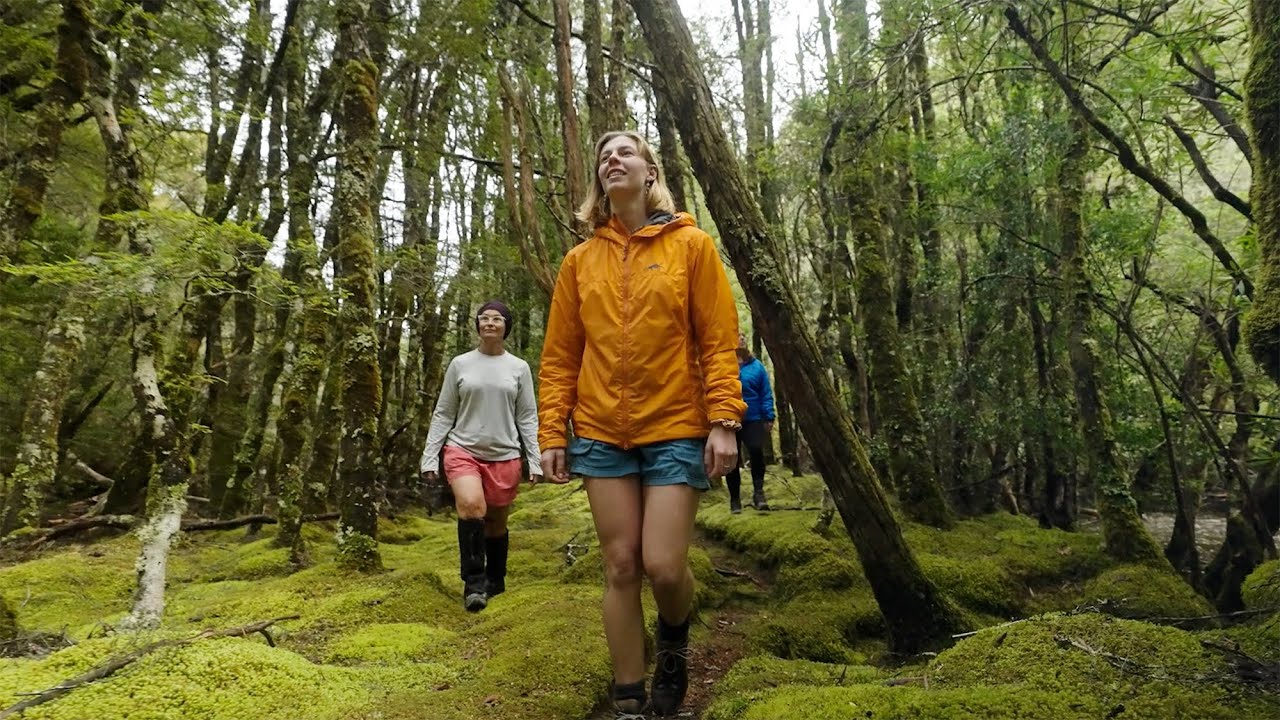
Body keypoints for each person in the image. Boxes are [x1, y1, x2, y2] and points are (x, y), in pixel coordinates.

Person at [538, 130, 745, 719]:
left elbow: (718, 339)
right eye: (604, 156)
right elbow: (559, 357)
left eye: (625, 152)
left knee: (662, 564)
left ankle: (674, 638)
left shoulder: (692, 246)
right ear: (598, 183)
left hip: (676, 424)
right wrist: (554, 433)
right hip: (601, 430)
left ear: (650, 172)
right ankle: (628, 697)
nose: (612, 160)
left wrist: (724, 419)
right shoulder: (580, 261)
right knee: (621, 563)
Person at [420, 300, 542, 612]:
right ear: (477, 325)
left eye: (497, 319)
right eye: (484, 318)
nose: (490, 323)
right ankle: (473, 584)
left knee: (496, 523)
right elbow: (444, 413)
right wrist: (429, 456)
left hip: (505, 455)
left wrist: (536, 459)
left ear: (506, 327)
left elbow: (527, 416)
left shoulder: (518, 368)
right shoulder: (461, 364)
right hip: (463, 450)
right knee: (472, 507)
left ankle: (495, 579)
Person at [726, 331, 775, 513]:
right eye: (737, 335)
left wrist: (769, 416)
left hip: (753, 418)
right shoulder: (725, 365)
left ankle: (759, 494)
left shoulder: (757, 367)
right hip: (730, 419)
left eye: (743, 336)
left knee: (756, 450)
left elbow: (766, 393)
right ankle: (735, 500)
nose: (741, 338)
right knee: (732, 459)